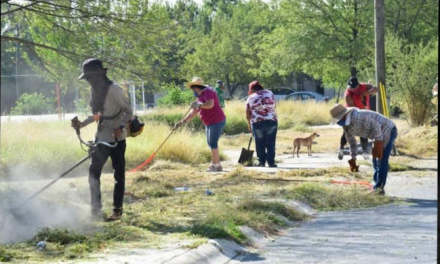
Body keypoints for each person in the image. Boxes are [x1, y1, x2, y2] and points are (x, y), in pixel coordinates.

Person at [72, 58, 133, 221]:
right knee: (93, 172)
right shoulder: (95, 91)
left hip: (117, 138)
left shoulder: (114, 90)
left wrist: (120, 127)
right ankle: (96, 211)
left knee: (118, 174)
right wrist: (82, 124)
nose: (88, 82)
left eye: (89, 78)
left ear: (98, 75)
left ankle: (117, 211)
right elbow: (98, 115)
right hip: (101, 137)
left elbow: (129, 112)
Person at [330, 104, 398, 195]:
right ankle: (377, 187)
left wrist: (378, 145)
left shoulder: (357, 117)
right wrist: (353, 159)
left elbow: (377, 125)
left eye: (339, 118)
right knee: (375, 161)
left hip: (388, 129)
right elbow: (352, 143)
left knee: (381, 160)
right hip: (377, 135)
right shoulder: (346, 127)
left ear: (345, 115)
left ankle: (379, 189)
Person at [174, 77, 227, 172]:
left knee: (213, 143)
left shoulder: (208, 92)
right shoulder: (199, 97)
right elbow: (193, 113)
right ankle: (217, 164)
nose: (192, 91)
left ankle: (215, 165)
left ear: (196, 87)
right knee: (210, 143)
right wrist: (182, 122)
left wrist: (199, 105)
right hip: (209, 122)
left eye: (192, 88)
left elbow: (210, 104)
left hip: (217, 121)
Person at [338, 77, 379, 160]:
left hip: (364, 112)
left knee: (364, 133)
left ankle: (365, 152)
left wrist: (367, 93)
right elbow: (352, 108)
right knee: (347, 133)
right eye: (350, 87)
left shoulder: (364, 86)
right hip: (351, 113)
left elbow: (376, 89)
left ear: (358, 85)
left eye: (354, 87)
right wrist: (360, 98)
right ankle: (341, 149)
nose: (352, 89)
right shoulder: (348, 94)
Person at [246, 81, 278, 168]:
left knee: (259, 143)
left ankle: (261, 162)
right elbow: (274, 106)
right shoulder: (270, 93)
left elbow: (248, 113)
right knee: (271, 142)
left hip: (257, 122)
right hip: (272, 121)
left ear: (252, 89)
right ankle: (271, 163)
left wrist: (249, 124)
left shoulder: (250, 98)